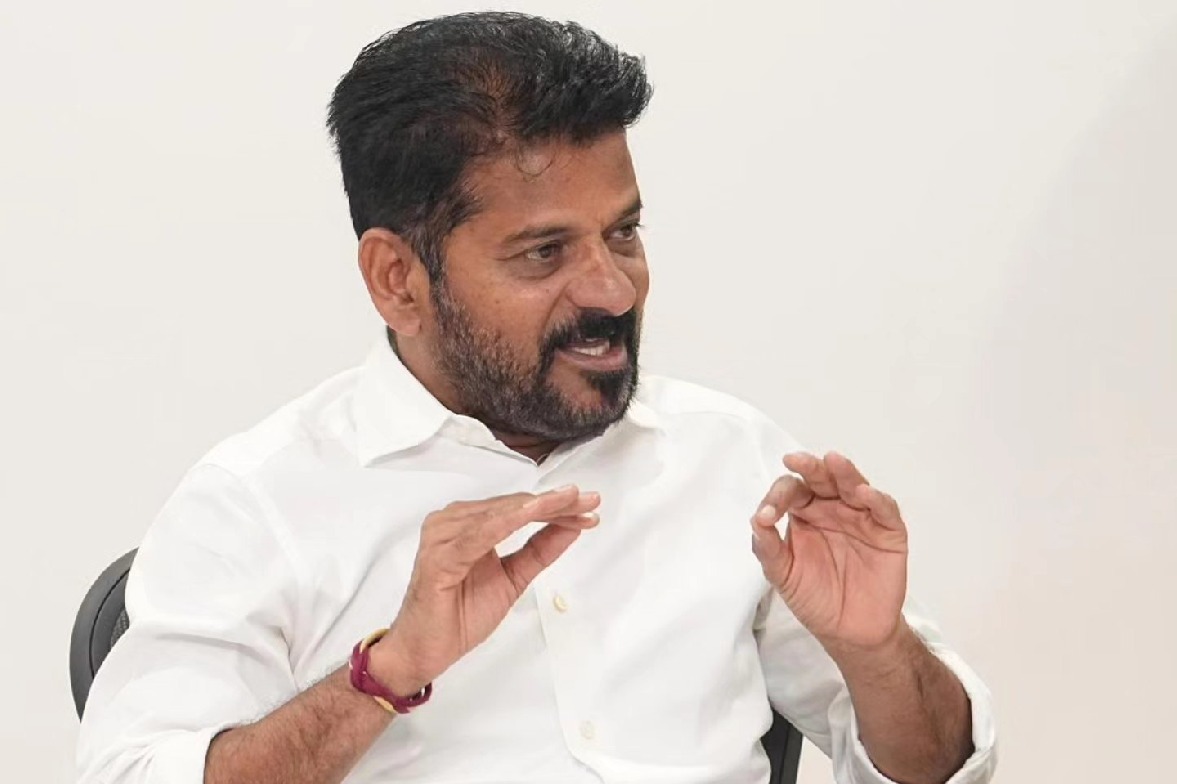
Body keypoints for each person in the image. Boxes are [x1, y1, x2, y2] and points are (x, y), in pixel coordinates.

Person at [76, 12, 996, 784]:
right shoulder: (257, 501)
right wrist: (386, 674)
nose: (613, 290)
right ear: (398, 279)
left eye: (623, 233)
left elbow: (939, 768)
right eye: (543, 253)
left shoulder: (730, 458)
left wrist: (876, 651)